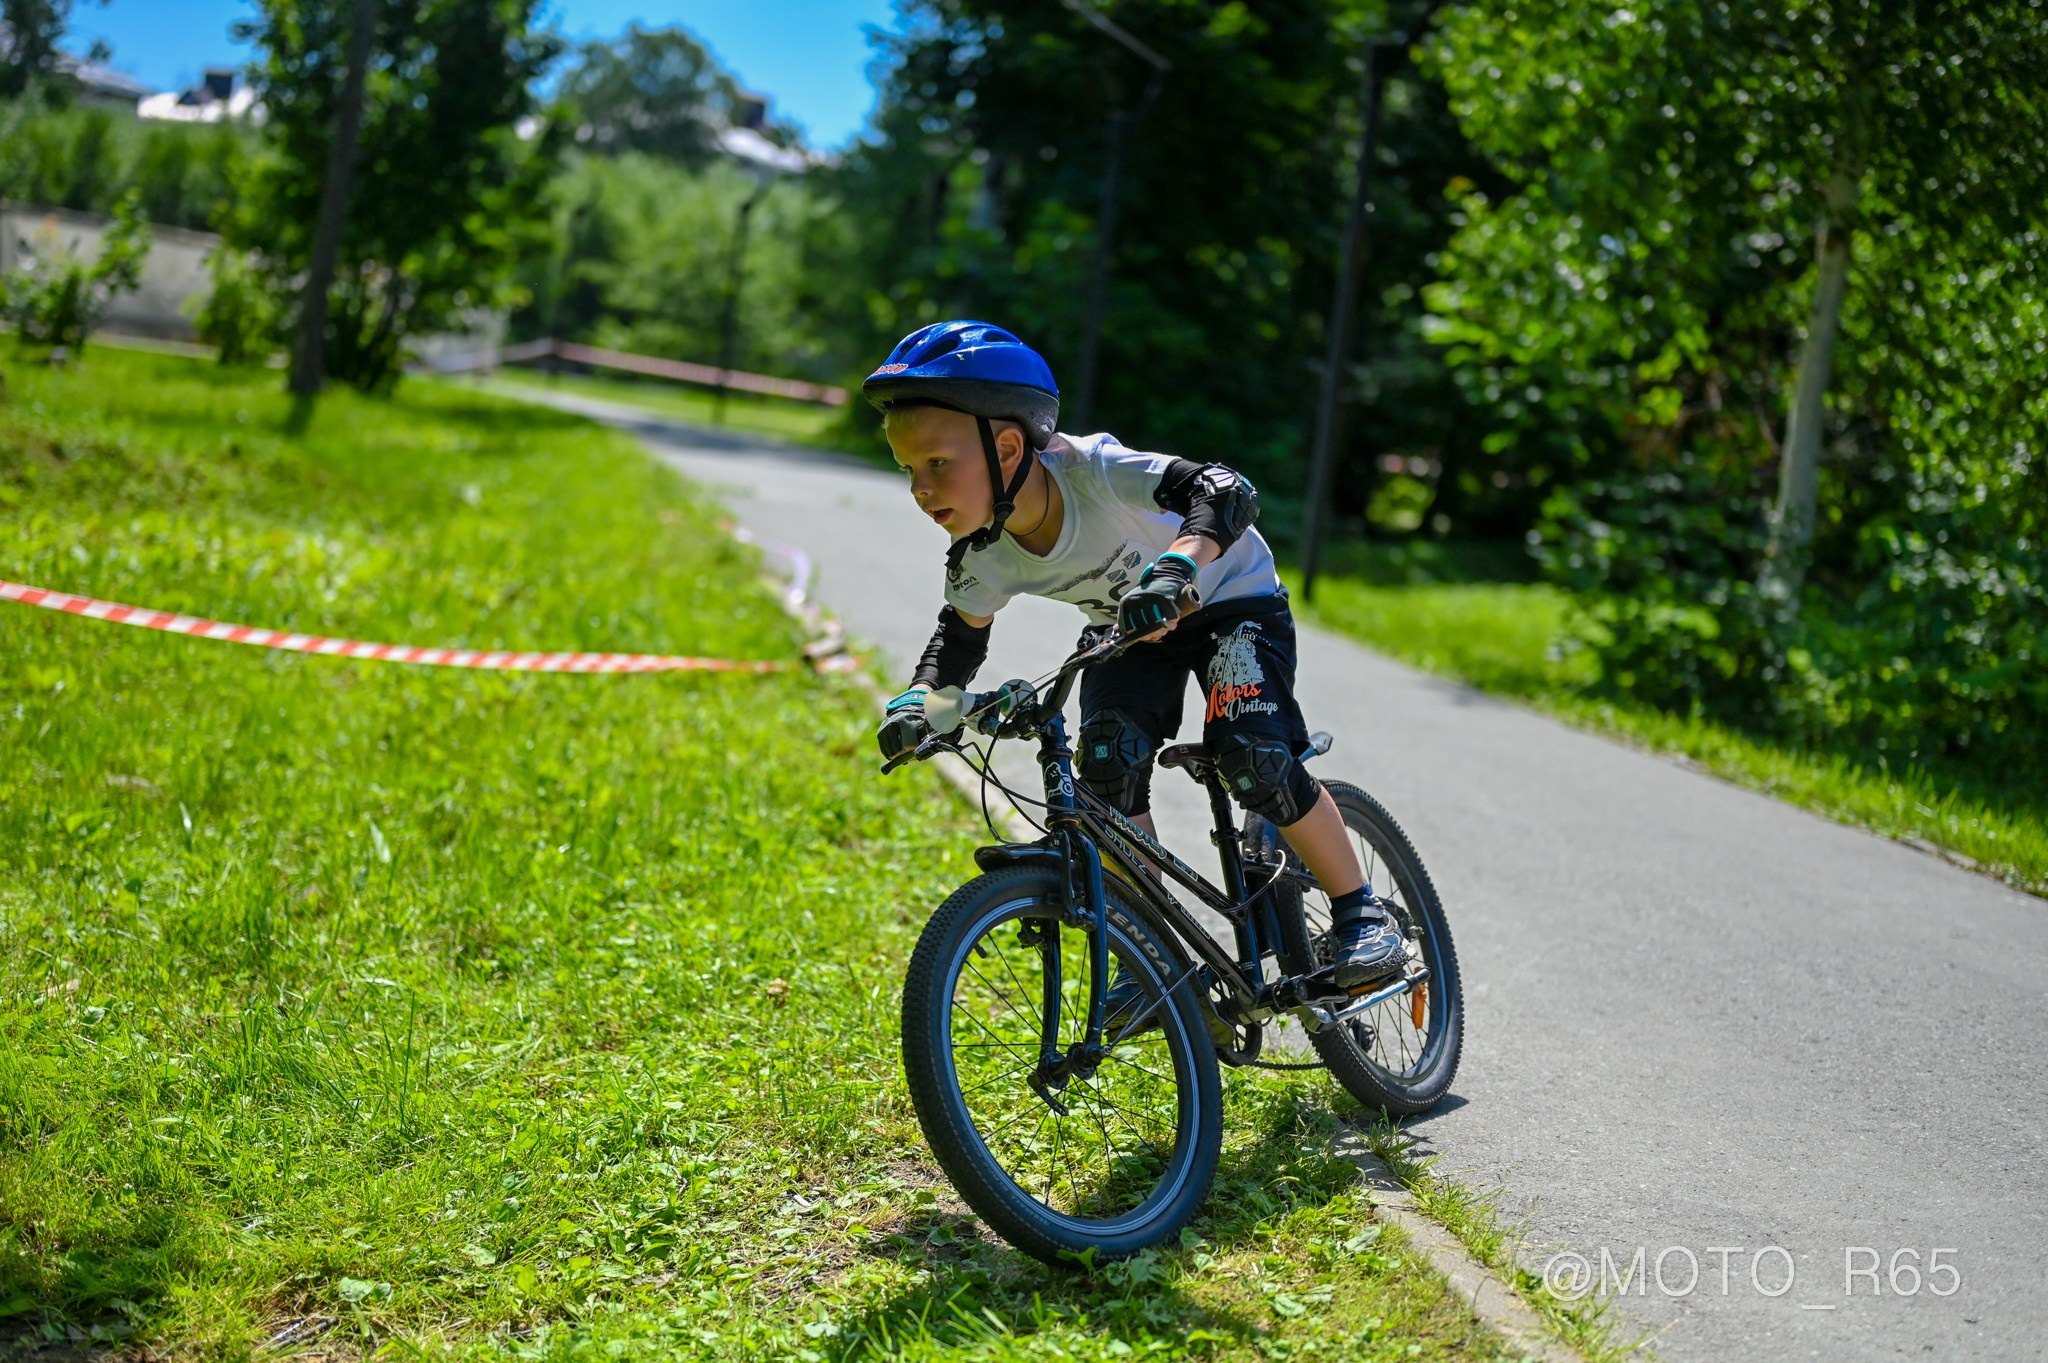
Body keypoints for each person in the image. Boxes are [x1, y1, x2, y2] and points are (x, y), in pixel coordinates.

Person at [866, 319, 1407, 1012]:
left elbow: (1225, 490)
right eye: (909, 470)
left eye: (937, 463)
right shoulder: (983, 552)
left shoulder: (1092, 471)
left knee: (1254, 758)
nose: (920, 487)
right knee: (1106, 772)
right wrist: (921, 702)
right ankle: (1152, 957)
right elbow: (957, 644)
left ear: (1007, 448)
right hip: (1128, 629)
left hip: (1230, 599)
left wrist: (1178, 566)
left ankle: (1362, 914)